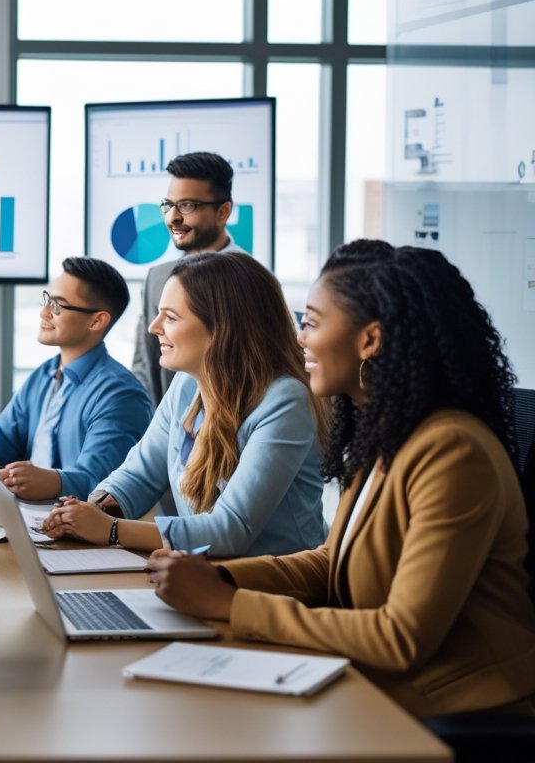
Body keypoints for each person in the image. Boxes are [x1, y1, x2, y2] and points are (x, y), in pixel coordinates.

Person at [146, 241, 535, 718]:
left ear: (369, 340)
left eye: (311, 322)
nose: (299, 338)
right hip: (383, 688)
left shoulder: (453, 451)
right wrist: (222, 578)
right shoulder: (388, 435)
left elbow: (400, 638)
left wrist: (231, 604)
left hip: (460, 710)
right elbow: (333, 560)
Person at [43, 251, 327, 557]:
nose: (154, 327)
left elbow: (230, 530)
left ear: (221, 328)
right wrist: (90, 511)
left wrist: (111, 529)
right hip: (204, 571)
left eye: (171, 317)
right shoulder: (186, 384)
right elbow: (138, 475)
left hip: (276, 579)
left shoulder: (285, 400)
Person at [0, 256, 153, 501]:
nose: (44, 312)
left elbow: (102, 487)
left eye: (57, 305)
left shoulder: (121, 395)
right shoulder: (42, 376)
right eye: (46, 300)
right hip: (24, 512)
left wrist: (49, 481)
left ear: (97, 321)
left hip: (74, 521)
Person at [132, 152, 247, 406]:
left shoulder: (252, 281)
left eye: (186, 206)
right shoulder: (157, 278)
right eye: (168, 205)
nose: (172, 217)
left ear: (223, 212)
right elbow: (144, 369)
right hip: (165, 428)